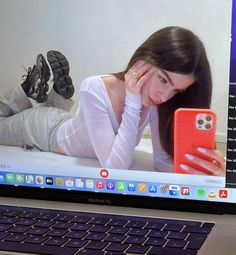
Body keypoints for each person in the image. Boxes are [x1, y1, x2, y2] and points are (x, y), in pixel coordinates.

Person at [0, 26, 226, 176]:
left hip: (66, 121)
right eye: (163, 80)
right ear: (144, 62)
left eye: (177, 91)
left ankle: (54, 97)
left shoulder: (156, 101)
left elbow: (161, 161)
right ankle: (24, 91)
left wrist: (200, 168)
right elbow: (115, 166)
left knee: (59, 116)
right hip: (43, 131)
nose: (165, 96)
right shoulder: (94, 87)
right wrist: (133, 100)